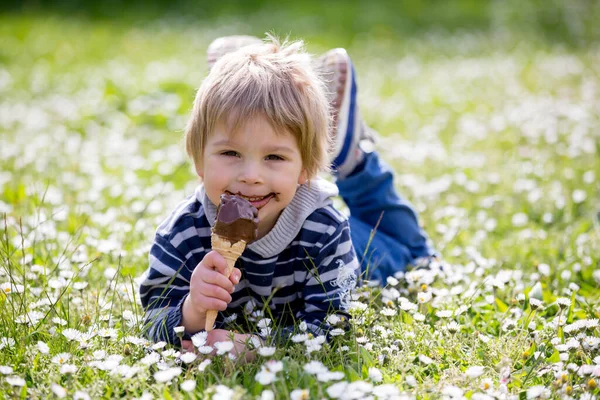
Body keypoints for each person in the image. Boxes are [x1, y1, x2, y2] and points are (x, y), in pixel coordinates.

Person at [139, 34, 436, 361]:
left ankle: (352, 159)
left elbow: (333, 327)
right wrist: (192, 310)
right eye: (230, 152)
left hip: (366, 256)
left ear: (305, 170)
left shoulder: (325, 232)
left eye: (274, 158)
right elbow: (152, 315)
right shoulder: (183, 231)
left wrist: (257, 349)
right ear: (198, 160)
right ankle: (255, 73)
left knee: (416, 254)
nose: (250, 176)